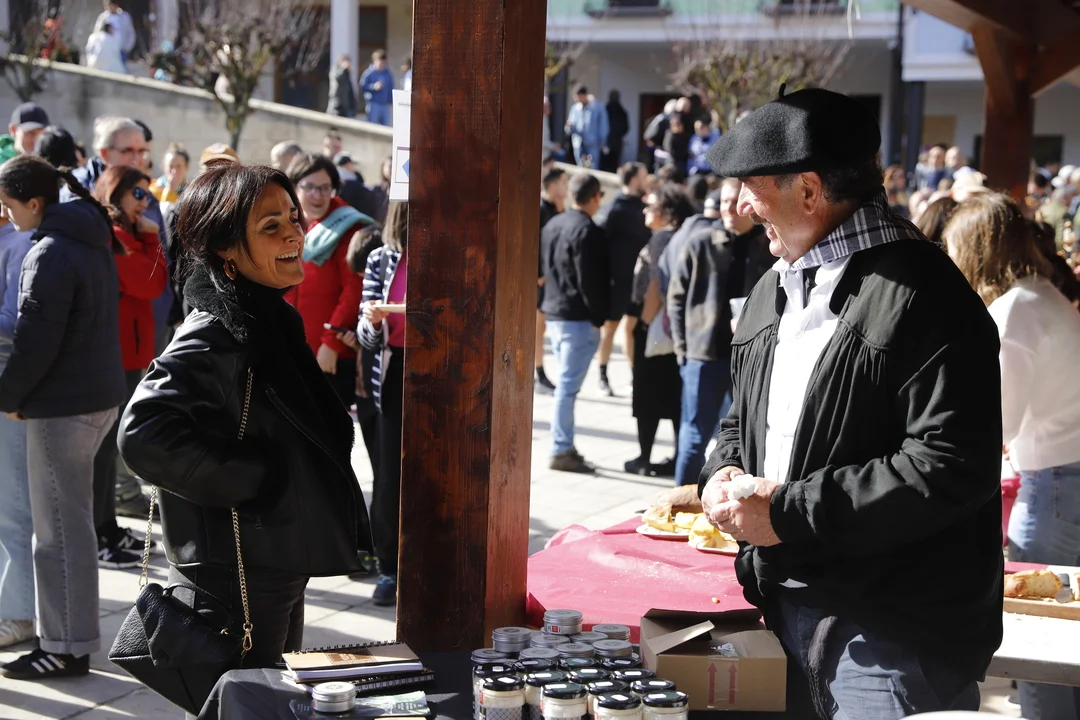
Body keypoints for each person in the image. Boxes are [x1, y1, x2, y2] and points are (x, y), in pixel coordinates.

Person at [698, 88, 1003, 718]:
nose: (743, 207)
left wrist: (788, 512)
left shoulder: (925, 293)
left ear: (810, 191)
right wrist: (723, 471)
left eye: (752, 187)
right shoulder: (774, 286)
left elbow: (950, 465)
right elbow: (741, 421)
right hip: (786, 605)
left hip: (889, 633)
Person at [118, 163, 374, 691]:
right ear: (227, 250)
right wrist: (255, 479)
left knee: (266, 700)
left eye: (293, 218)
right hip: (234, 575)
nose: (294, 234)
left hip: (270, 563)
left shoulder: (264, 317)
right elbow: (142, 433)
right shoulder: (218, 331)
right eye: (270, 226)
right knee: (247, 702)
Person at [944, 193, 1080, 720]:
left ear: (976, 249)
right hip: (1061, 478)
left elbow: (999, 422)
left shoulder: (1016, 308)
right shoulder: (1041, 295)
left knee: (1041, 642)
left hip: (1054, 485)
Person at [0, 156, 126, 679]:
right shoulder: (85, 235)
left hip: (65, 407)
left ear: (34, 203)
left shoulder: (50, 249)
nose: (7, 216)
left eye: (9, 206)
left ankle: (65, 648)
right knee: (68, 528)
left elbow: (36, 341)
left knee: (58, 535)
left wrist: (8, 397)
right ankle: (66, 641)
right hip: (93, 398)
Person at [90, 165, 167, 568]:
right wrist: (153, 240)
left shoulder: (128, 235)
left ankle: (107, 526)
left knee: (107, 450)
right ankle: (98, 533)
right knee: (102, 451)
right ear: (114, 192)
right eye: (137, 193)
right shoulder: (114, 236)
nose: (144, 202)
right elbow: (152, 283)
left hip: (127, 356)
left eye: (147, 194)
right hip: (113, 357)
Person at [668, 179, 767, 488]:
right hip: (704, 356)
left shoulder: (768, 245)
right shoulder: (700, 243)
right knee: (694, 436)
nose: (728, 208)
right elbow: (676, 298)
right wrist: (683, 350)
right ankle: (682, 501)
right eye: (723, 201)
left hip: (750, 358)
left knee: (748, 437)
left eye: (734, 202)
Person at [285, 153, 373, 406]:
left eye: (325, 188)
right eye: (309, 187)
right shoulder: (289, 222)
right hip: (291, 347)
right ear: (295, 188)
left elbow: (354, 290)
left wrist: (331, 343)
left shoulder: (348, 226)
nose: (317, 195)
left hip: (328, 354)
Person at [540, 174, 610, 473]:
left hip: (556, 312)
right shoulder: (587, 230)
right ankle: (561, 447)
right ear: (594, 196)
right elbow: (590, 280)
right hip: (576, 317)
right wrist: (598, 318)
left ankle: (563, 445)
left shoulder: (554, 224)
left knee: (566, 386)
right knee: (566, 389)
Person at [359, 201, 410, 607]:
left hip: (443, 372)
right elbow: (365, 333)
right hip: (394, 373)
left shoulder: (448, 253)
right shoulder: (380, 258)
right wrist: (373, 320)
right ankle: (389, 567)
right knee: (389, 476)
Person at [624, 183, 693, 476]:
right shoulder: (685, 236)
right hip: (680, 329)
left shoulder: (661, 239)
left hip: (655, 330)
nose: (645, 211)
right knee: (677, 398)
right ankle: (678, 458)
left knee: (647, 397)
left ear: (667, 211)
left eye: (651, 206)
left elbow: (654, 285)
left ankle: (644, 457)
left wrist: (643, 322)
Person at [0, 212, 33, 650]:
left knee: (12, 505)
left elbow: (15, 321)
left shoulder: (18, 243)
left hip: (8, 380)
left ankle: (19, 614)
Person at [593, 162, 650, 396]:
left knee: (631, 327)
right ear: (634, 180)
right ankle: (602, 375)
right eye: (644, 177)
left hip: (639, 282)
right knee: (610, 328)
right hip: (617, 282)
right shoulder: (614, 209)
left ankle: (636, 377)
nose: (647, 181)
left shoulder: (644, 207)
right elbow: (598, 243)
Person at [536, 166, 568, 394]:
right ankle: (539, 374)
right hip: (541, 280)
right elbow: (534, 243)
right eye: (564, 183)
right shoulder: (539, 209)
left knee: (544, 327)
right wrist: (539, 274)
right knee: (538, 327)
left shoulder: (559, 209)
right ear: (554, 185)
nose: (567, 187)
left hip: (554, 279)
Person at [565, 86, 609, 169]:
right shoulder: (575, 108)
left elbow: (603, 126)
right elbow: (569, 126)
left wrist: (602, 142)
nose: (578, 100)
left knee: (593, 168)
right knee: (580, 167)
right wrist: (569, 127)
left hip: (593, 143)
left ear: (584, 95)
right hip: (578, 143)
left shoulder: (598, 107)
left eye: (579, 97)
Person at [94, 0, 135, 67]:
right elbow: (97, 33)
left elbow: (131, 34)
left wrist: (127, 48)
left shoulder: (124, 17)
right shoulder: (103, 17)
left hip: (121, 51)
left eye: (112, 5)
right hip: (107, 51)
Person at [360, 50, 395, 127]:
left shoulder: (388, 73)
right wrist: (373, 87)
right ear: (375, 61)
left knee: (386, 127)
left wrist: (391, 101)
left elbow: (391, 87)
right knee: (372, 126)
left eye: (384, 62)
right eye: (380, 62)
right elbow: (363, 86)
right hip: (373, 104)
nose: (382, 65)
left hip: (385, 105)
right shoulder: (369, 73)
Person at [602, 89, 629, 172]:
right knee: (614, 164)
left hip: (607, 140)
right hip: (617, 141)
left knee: (604, 163)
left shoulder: (605, 110)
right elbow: (626, 128)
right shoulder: (622, 111)